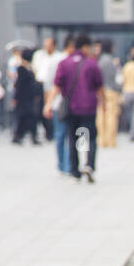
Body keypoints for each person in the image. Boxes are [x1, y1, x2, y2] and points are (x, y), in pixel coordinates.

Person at [53, 33, 103, 182]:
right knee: (90, 137)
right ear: (86, 47)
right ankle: (88, 164)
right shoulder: (91, 64)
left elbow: (57, 85)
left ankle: (74, 170)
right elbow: (99, 86)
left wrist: (49, 104)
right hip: (88, 107)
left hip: (70, 107)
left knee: (72, 138)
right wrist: (104, 104)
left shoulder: (64, 63)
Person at [42, 36, 78, 174]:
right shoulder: (59, 61)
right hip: (64, 103)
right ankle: (68, 164)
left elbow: (47, 85)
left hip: (59, 104)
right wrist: (49, 104)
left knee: (61, 135)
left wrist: (48, 104)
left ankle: (64, 164)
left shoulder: (55, 61)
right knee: (68, 134)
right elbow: (52, 85)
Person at [31, 36, 60, 140]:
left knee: (53, 110)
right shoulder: (40, 56)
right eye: (45, 46)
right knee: (39, 111)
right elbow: (36, 70)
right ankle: (47, 132)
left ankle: (52, 132)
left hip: (54, 88)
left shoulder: (58, 57)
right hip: (40, 86)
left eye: (48, 45)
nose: (46, 48)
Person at [11, 48, 41, 145]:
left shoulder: (29, 68)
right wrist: (15, 98)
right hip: (23, 97)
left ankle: (23, 136)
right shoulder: (21, 68)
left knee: (29, 117)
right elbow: (18, 85)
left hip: (30, 97)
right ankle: (21, 136)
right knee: (25, 117)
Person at [96, 39, 121, 148]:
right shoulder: (111, 61)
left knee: (101, 116)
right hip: (111, 91)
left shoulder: (100, 61)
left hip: (100, 91)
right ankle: (110, 141)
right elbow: (115, 77)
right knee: (111, 116)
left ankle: (101, 140)